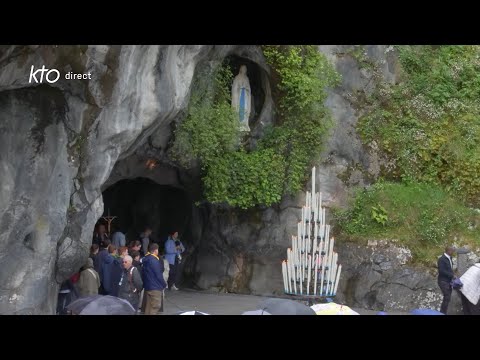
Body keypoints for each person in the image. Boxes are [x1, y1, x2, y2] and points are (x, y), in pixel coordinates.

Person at [142, 243, 167, 315]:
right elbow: (158, 275)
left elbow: (143, 273)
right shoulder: (154, 260)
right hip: (155, 286)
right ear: (156, 250)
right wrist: (163, 284)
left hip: (148, 286)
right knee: (155, 306)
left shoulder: (145, 259)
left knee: (149, 306)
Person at [437, 246, 456, 314]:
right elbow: (441, 271)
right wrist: (451, 275)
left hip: (449, 281)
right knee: (447, 296)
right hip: (443, 281)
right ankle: (442, 313)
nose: (453, 252)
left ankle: (443, 312)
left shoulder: (449, 258)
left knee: (447, 298)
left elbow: (449, 269)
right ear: (449, 251)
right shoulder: (442, 259)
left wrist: (453, 274)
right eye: (452, 251)